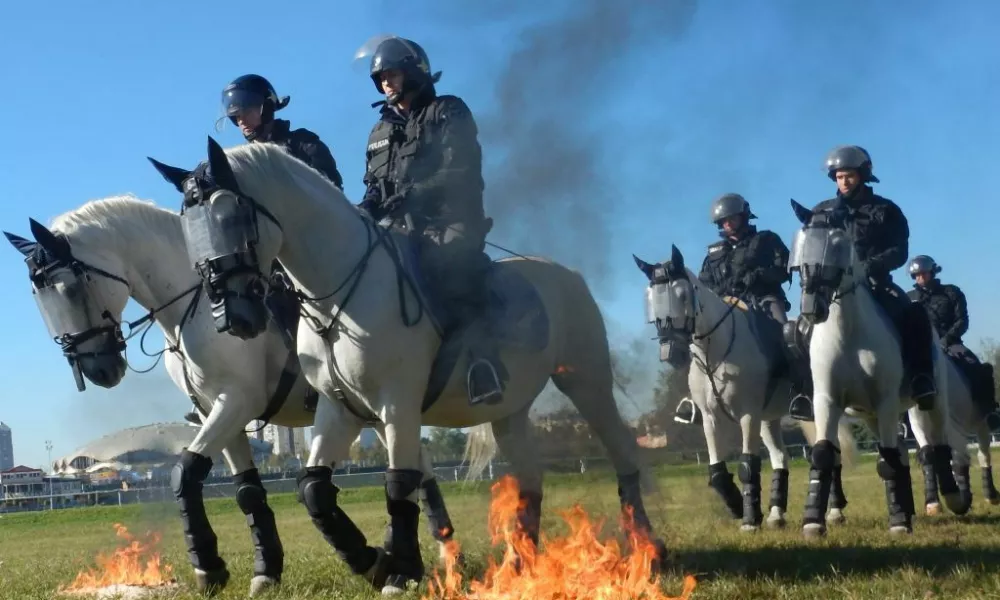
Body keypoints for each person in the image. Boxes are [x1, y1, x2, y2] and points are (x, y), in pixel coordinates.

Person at [356, 35, 504, 406]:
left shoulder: (448, 111)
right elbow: (374, 186)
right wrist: (366, 209)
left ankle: (483, 363)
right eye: (381, 78)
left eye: (391, 75)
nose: (385, 83)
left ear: (413, 71)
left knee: (453, 265)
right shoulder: (378, 132)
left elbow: (462, 170)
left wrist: (413, 192)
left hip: (450, 220)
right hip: (399, 226)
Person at [790, 145, 937, 422]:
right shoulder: (821, 211)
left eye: (849, 176)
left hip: (877, 282)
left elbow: (899, 250)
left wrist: (870, 265)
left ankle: (921, 380)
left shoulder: (886, 209)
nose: (844, 182)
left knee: (915, 315)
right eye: (839, 177)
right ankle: (806, 392)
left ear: (863, 175)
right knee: (797, 328)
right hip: (834, 288)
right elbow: (811, 247)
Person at [673, 193, 803, 423]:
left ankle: (801, 391)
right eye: (723, 221)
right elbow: (704, 284)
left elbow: (785, 269)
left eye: (732, 218)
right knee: (697, 341)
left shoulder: (766, 240)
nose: (728, 224)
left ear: (744, 216)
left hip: (764, 301)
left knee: (787, 334)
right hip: (726, 308)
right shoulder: (713, 254)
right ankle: (694, 398)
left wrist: (760, 276)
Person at [219, 74, 344, 189]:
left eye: (247, 112)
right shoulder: (244, 161)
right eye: (237, 116)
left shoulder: (303, 145)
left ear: (267, 108)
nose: (242, 121)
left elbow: (332, 193)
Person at [907, 255, 996, 413]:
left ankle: (989, 412)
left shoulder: (951, 292)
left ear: (932, 272)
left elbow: (962, 320)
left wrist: (946, 340)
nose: (920, 277)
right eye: (917, 275)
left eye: (924, 273)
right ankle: (902, 422)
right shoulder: (909, 298)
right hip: (921, 347)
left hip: (950, 343)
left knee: (974, 366)